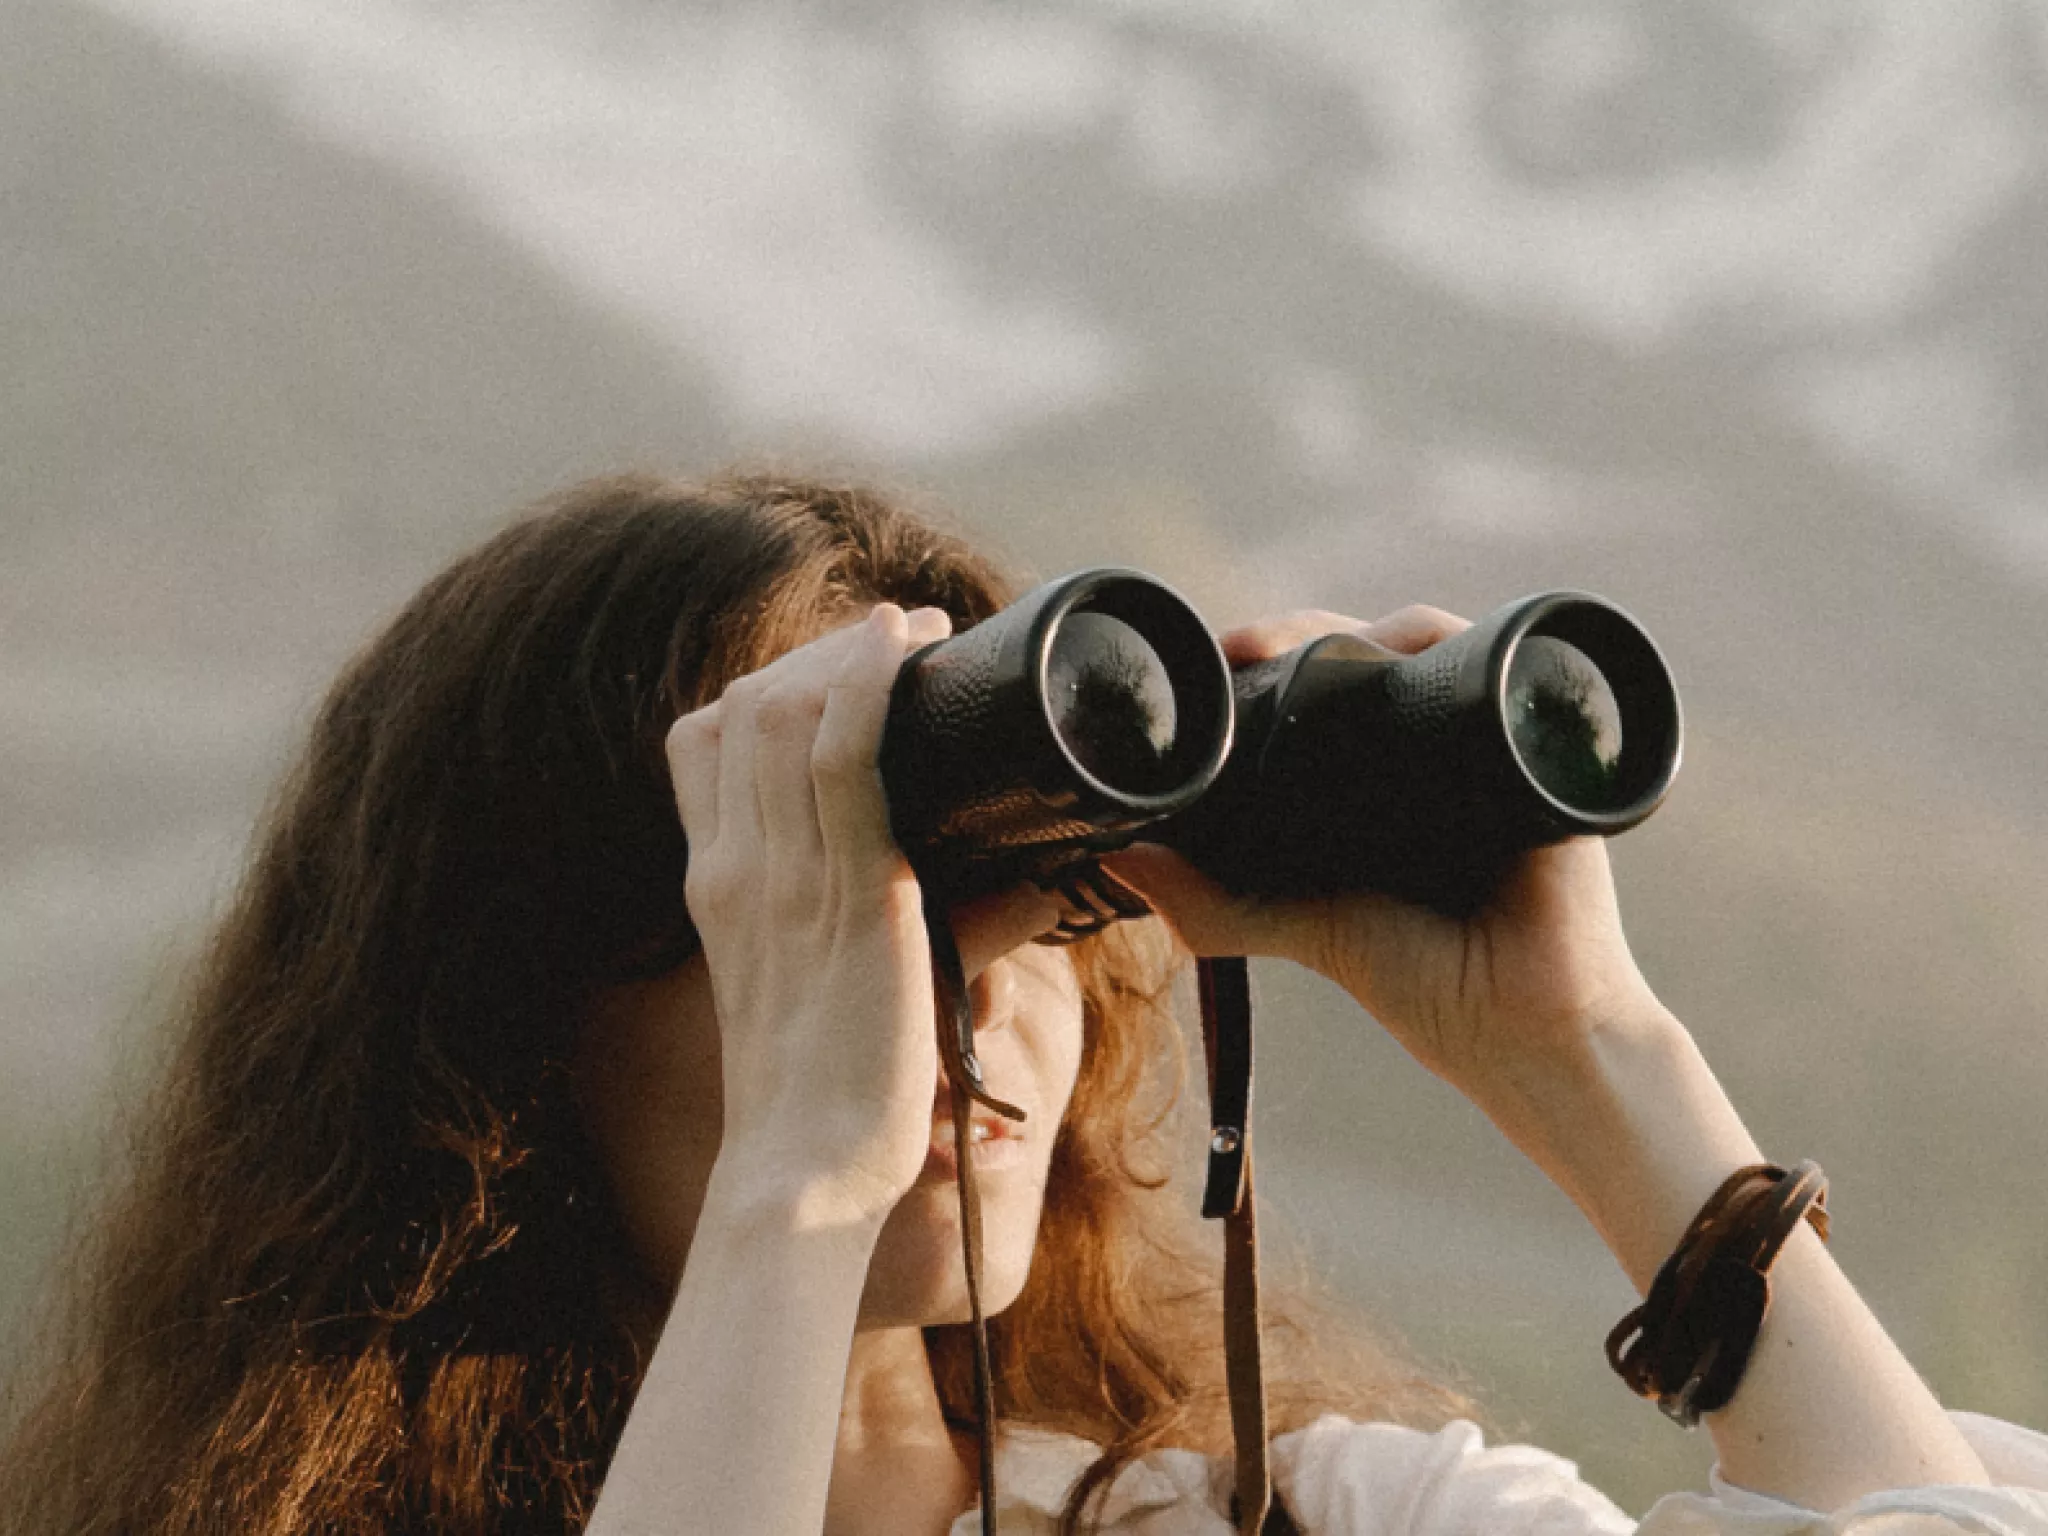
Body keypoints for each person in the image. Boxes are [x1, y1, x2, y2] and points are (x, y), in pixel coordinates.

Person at [0, 473, 2041, 1536]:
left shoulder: (1295, 1513)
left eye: (1033, 896)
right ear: (502, 1003)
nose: (971, 988)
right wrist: (801, 1183)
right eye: (830, 900)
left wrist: (1594, 1058)